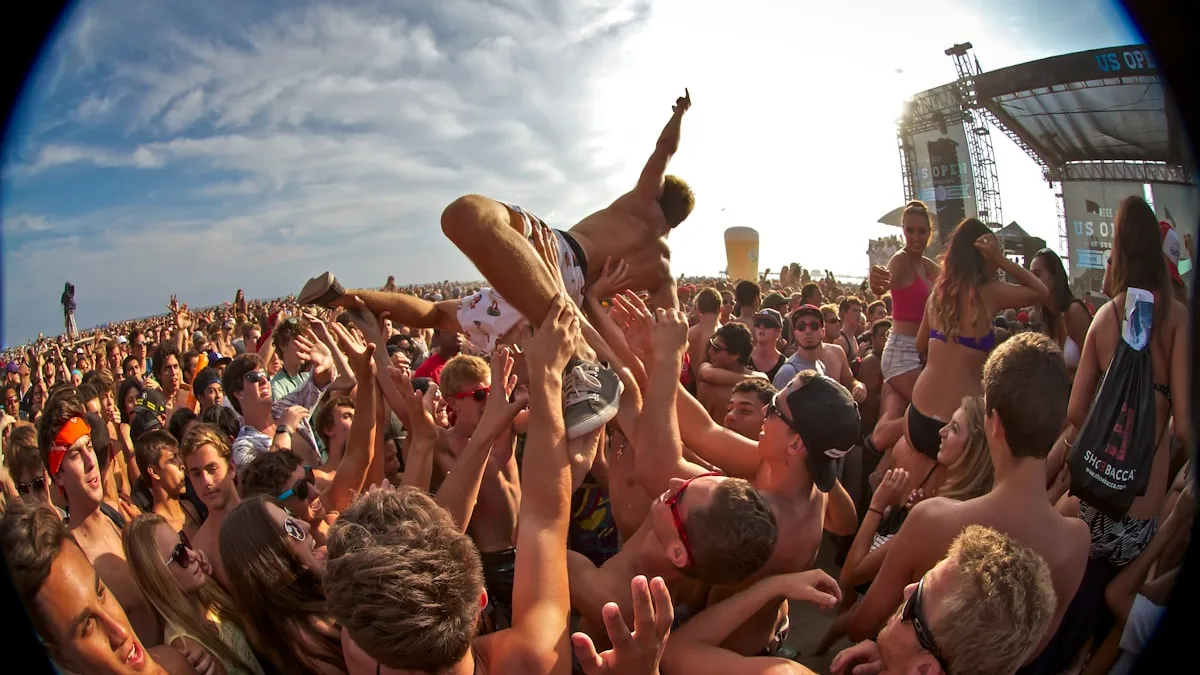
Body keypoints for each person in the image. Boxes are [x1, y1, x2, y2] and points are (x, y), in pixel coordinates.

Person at [299, 90, 696, 439]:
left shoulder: (644, 202)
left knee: (465, 214)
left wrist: (678, 114)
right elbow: (669, 337)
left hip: (554, 255)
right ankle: (342, 296)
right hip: (553, 290)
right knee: (440, 314)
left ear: (660, 194)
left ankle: (576, 353)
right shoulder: (663, 271)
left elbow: (664, 150)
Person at [323, 296, 581, 675]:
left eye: (492, 390)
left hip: (521, 553)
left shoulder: (507, 420)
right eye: (480, 395)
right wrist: (376, 344)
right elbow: (397, 400)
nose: (492, 398)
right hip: (489, 564)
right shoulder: (441, 443)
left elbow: (550, 417)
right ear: (453, 403)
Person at [849, 333, 1090, 669]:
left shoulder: (933, 519)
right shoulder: (1076, 541)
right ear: (1057, 425)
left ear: (992, 422)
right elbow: (1026, 652)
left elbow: (861, 626)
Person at [890, 219, 1046, 498]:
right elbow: (1042, 292)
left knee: (917, 494)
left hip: (918, 415)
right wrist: (1003, 261)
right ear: (985, 255)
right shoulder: (990, 292)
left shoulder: (937, 292)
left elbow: (919, 343)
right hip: (958, 426)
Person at [0, 502, 201, 675]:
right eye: (87, 624)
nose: (120, 631)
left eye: (100, 593)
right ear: (62, 658)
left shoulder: (174, 663)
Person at [37, 390, 162, 647]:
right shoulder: (73, 560)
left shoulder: (118, 517)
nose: (90, 461)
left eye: (89, 447)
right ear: (57, 475)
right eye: (74, 454)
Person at [123, 514, 266, 675]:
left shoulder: (204, 596)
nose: (192, 555)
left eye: (184, 543)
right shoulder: (185, 646)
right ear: (158, 578)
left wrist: (214, 579)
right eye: (179, 554)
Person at [220, 495, 344, 674]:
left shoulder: (294, 621)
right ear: (273, 562)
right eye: (291, 528)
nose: (306, 525)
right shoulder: (314, 634)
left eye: (291, 515)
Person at [179, 423, 242, 589]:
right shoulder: (201, 548)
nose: (206, 481)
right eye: (196, 474)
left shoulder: (264, 512)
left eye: (212, 469)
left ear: (231, 469)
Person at [772, 305, 866, 404]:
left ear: (822, 332)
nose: (808, 331)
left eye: (814, 326)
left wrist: (859, 386)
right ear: (795, 333)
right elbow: (776, 414)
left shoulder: (821, 366)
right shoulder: (788, 371)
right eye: (801, 326)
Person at [1030, 248, 1091, 379]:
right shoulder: (1049, 317)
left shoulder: (1074, 311)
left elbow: (1093, 366)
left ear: (1054, 278)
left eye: (1037, 275)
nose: (1031, 281)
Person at [133, 430, 203, 537]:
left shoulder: (190, 508)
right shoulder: (154, 531)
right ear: (154, 472)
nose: (182, 465)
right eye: (172, 459)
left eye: (179, 456)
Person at [695, 323, 767, 421]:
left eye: (716, 349)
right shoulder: (758, 382)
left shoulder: (709, 385)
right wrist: (753, 380)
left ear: (735, 355)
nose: (710, 352)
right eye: (711, 345)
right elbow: (710, 375)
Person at [749, 308, 786, 383]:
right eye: (758, 323)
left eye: (768, 324)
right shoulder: (743, 358)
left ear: (778, 332)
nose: (761, 327)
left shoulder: (785, 365)